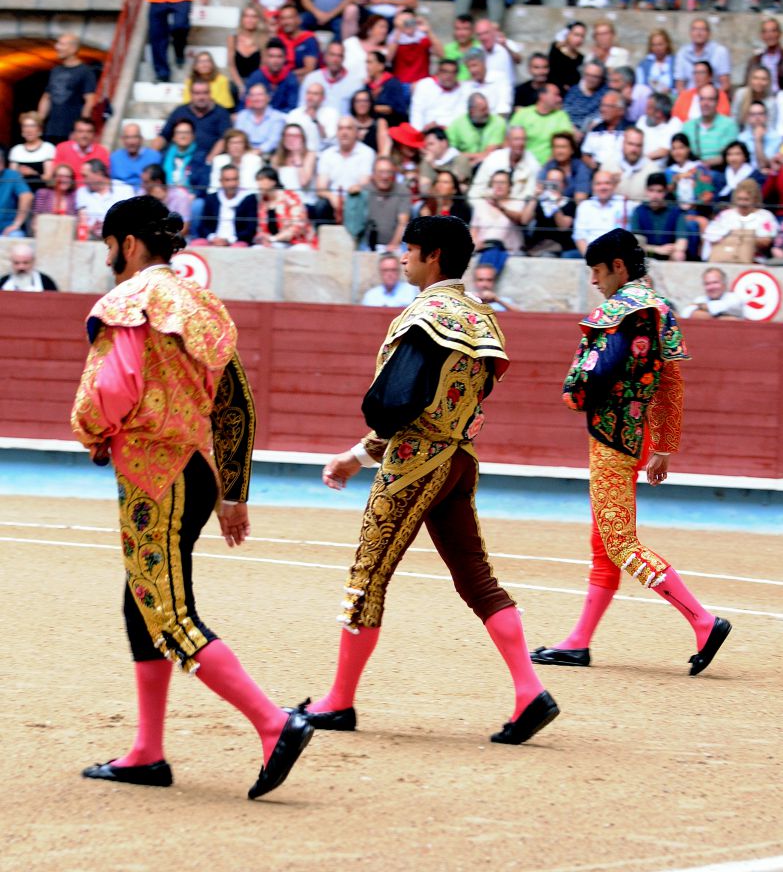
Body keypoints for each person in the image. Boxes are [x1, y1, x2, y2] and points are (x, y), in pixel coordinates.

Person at [70, 195, 313, 798]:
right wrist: (233, 492)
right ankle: (147, 752)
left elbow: (114, 386)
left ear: (127, 243)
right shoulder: (203, 304)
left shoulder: (128, 302)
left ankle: (274, 722)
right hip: (199, 471)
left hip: (157, 476)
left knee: (168, 614)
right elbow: (235, 404)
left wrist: (95, 433)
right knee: (141, 604)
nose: (108, 260)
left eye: (108, 247)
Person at [290, 215, 559, 746]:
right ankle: (530, 692)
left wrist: (360, 452)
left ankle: (339, 701)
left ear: (432, 255)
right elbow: (466, 402)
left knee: (367, 577)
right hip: (458, 457)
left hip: (414, 463)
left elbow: (396, 405)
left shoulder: (427, 315)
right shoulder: (482, 319)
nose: (403, 257)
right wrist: (360, 454)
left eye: (410, 249)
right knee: (476, 578)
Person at [531, 228, 731, 676]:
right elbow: (671, 383)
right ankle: (578, 643)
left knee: (619, 543)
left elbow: (582, 384)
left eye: (598, 272)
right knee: (604, 543)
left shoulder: (616, 310)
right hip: (638, 437)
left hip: (610, 439)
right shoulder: (662, 311)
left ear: (618, 266)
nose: (595, 281)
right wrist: (664, 446)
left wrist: (574, 395)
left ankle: (703, 621)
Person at [37, 34, 98, 145]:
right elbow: (47, 97)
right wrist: (38, 122)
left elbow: (90, 100)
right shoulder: (55, 70)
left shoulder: (86, 71)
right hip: (51, 130)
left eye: (62, 44)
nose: (57, 47)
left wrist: (80, 130)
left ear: (73, 48)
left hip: (71, 131)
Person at [701, 180, 778, 261]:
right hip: (724, 256)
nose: (742, 203)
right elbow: (710, 235)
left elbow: (766, 241)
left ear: (755, 200)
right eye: (739, 199)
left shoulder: (765, 216)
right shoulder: (725, 215)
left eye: (746, 200)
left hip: (755, 259)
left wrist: (745, 239)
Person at [469, 126, 541, 201]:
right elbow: (475, 191)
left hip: (517, 208)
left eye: (523, 139)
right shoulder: (494, 158)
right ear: (508, 141)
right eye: (516, 139)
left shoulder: (533, 164)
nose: (520, 143)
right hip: (488, 204)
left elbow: (530, 195)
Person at [509, 83, 574, 165]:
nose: (560, 99)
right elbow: (509, 140)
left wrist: (546, 167)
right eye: (556, 95)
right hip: (523, 163)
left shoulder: (561, 116)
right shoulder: (522, 114)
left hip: (549, 165)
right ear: (542, 96)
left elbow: (564, 143)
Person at [519, 167, 578, 256]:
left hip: (559, 247)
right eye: (550, 181)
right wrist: (535, 196)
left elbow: (563, 226)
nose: (552, 184)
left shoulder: (570, 203)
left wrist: (554, 203)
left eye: (557, 181)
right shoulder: (539, 202)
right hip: (537, 245)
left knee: (547, 255)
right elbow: (524, 220)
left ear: (564, 185)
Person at [572, 169, 634, 252]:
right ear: (592, 187)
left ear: (614, 185)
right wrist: (591, 260)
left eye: (607, 183)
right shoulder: (584, 206)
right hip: (591, 253)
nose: (603, 187)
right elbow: (579, 237)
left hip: (619, 254)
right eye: (598, 184)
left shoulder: (626, 204)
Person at [253, 165, 316, 247]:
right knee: (257, 248)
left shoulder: (290, 197)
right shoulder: (263, 202)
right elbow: (262, 229)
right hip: (274, 243)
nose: (258, 184)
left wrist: (274, 238)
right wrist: (262, 238)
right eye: (257, 180)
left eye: (261, 180)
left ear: (273, 181)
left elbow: (298, 226)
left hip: (296, 242)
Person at [630, 173, 689, 259]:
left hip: (668, 253)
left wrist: (670, 248)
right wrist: (656, 249)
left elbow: (682, 243)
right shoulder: (639, 211)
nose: (655, 196)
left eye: (659, 191)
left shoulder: (675, 211)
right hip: (646, 253)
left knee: (679, 254)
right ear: (646, 191)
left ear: (665, 192)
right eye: (651, 190)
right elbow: (635, 243)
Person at [681, 86, 740, 170]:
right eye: (702, 99)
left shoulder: (729, 124)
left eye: (710, 99)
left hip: (720, 170)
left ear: (717, 102)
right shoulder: (688, 126)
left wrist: (704, 164)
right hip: (692, 171)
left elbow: (730, 154)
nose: (706, 103)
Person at [299, 40, 365, 116]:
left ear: (344, 58)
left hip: (343, 125)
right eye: (332, 55)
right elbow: (301, 106)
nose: (335, 60)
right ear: (325, 56)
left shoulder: (355, 83)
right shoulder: (311, 79)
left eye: (339, 56)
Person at [75, 159, 135, 239]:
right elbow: (82, 223)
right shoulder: (82, 192)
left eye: (85, 176)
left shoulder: (124, 189)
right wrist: (91, 229)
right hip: (92, 240)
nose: (83, 180)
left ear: (99, 174)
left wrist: (109, 227)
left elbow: (131, 219)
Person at [446, 92, 507, 166]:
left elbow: (490, 154)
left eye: (487, 108)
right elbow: (449, 153)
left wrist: (467, 158)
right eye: (483, 110)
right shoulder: (457, 124)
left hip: (490, 164)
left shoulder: (498, 122)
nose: (487, 112)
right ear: (472, 111)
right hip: (462, 164)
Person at [674, 19, 731, 95]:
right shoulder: (682, 53)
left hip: (713, 97)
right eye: (695, 29)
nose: (698, 33)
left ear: (709, 33)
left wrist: (712, 98)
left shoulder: (720, 51)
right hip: (689, 97)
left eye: (702, 30)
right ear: (690, 33)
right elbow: (679, 85)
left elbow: (725, 84)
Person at [409, 58, 466, 133]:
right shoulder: (424, 85)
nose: (449, 76)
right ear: (438, 73)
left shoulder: (463, 89)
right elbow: (416, 113)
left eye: (453, 73)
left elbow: (460, 116)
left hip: (451, 132)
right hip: (426, 131)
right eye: (445, 72)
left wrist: (442, 126)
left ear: (457, 75)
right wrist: (419, 133)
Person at [245, 39, 300, 112]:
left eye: (279, 56)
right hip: (257, 117)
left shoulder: (290, 79)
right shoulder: (256, 77)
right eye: (271, 56)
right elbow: (245, 103)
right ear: (265, 58)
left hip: (282, 119)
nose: (275, 61)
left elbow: (292, 107)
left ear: (284, 58)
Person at [226, 5, 268, 102]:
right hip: (237, 81)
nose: (250, 20)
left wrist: (252, 86)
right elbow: (231, 65)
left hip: (256, 80)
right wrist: (241, 86)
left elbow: (263, 66)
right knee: (232, 90)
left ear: (258, 19)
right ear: (242, 19)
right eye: (247, 16)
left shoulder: (264, 38)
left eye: (254, 16)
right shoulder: (233, 37)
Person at [233, 83, 287, 155]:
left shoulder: (277, 117)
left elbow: (274, 141)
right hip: (243, 153)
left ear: (268, 97)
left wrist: (256, 152)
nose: (256, 98)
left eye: (260, 95)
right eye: (253, 95)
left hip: (268, 156)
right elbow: (238, 138)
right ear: (249, 99)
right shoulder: (242, 116)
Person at [9, 112, 56, 192]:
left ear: (40, 129)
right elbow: (11, 178)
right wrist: (20, 174)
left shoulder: (48, 148)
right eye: (25, 126)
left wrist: (33, 173)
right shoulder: (16, 150)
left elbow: (49, 178)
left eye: (32, 126)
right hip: (19, 192)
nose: (28, 130)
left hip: (41, 192)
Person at [111, 123, 163, 191]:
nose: (131, 142)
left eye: (135, 137)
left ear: (141, 139)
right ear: (122, 139)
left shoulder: (155, 156)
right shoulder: (114, 157)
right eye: (127, 137)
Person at [681, 266, 745, 319]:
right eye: (707, 284)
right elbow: (685, 313)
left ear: (724, 284)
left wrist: (700, 307)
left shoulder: (734, 298)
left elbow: (722, 307)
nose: (711, 287)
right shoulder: (700, 299)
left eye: (715, 282)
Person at [0, 148, 35, 237]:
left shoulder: (11, 175)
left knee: (17, 238)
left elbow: (27, 196)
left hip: (6, 229)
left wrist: (17, 224)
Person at [547, 21, 586, 94]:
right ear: (567, 34)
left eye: (582, 36)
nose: (579, 39)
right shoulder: (556, 51)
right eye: (576, 35)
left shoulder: (581, 58)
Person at [635, 29, 676, 95]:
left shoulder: (675, 62)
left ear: (667, 44)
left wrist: (670, 91)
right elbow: (640, 85)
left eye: (660, 44)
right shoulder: (644, 64)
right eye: (654, 45)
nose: (657, 48)